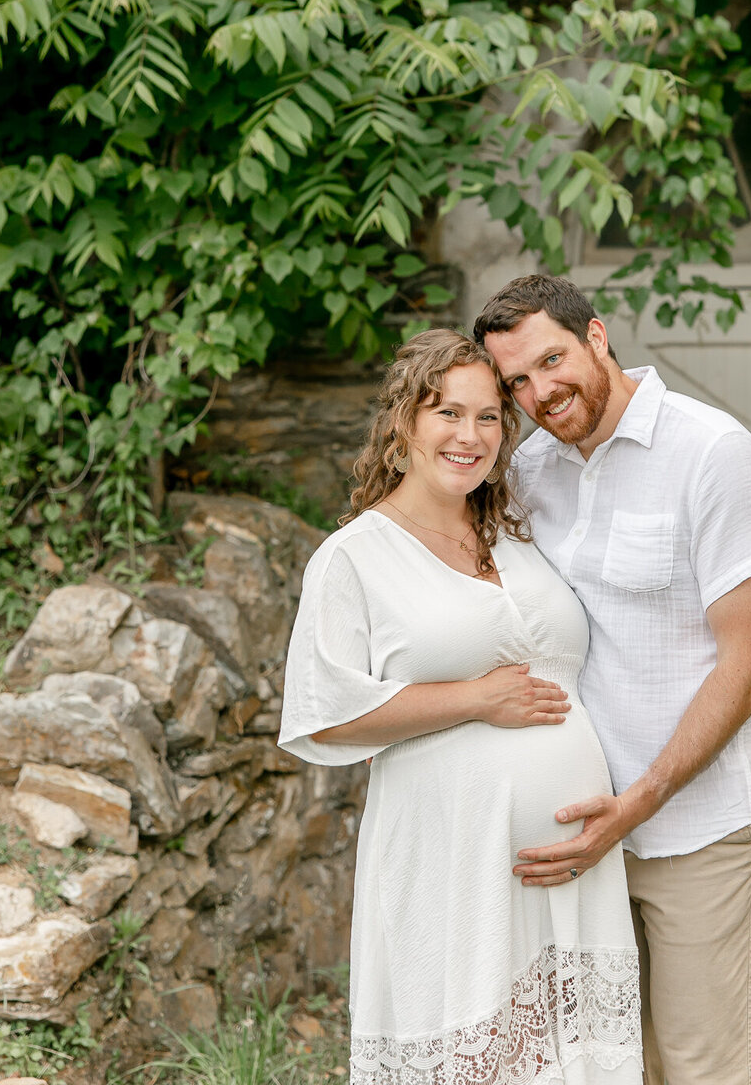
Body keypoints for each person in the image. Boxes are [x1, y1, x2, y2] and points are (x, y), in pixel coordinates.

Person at [278, 328, 642, 1085]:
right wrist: (473, 699)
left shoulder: (511, 531)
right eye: (447, 412)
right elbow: (321, 713)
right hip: (450, 851)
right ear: (404, 420)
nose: (468, 435)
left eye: (487, 418)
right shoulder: (354, 557)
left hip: (570, 865)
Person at [475, 276, 751, 1085]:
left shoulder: (711, 452)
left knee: (704, 1068)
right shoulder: (530, 471)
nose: (540, 393)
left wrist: (638, 803)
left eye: (552, 360)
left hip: (699, 825)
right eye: (516, 382)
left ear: (599, 338)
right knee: (604, 1066)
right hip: (578, 826)